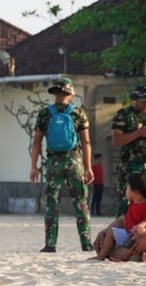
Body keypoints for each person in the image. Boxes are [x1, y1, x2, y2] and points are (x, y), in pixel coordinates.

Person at [29, 77, 94, 253]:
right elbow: (86, 142)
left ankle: (50, 244)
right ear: (70, 94)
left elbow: (36, 142)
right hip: (74, 161)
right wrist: (88, 167)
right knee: (81, 202)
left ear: (56, 93)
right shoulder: (78, 113)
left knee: (52, 203)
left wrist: (33, 167)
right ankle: (86, 242)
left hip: (53, 162)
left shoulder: (45, 113)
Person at [91, 172, 146, 262]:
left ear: (135, 192)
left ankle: (133, 256)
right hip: (128, 234)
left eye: (127, 188)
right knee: (111, 233)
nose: (125, 191)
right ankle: (102, 255)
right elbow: (123, 219)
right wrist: (104, 232)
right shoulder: (131, 204)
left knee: (132, 248)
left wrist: (142, 226)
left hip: (136, 236)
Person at [110, 84, 146, 217]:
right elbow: (116, 140)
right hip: (130, 166)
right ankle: (121, 233)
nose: (145, 105)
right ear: (136, 99)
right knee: (126, 202)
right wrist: (138, 133)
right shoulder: (124, 115)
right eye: (143, 101)